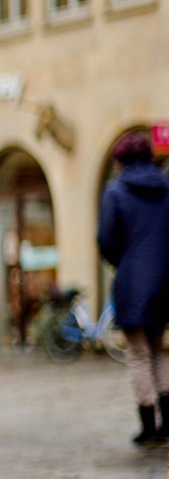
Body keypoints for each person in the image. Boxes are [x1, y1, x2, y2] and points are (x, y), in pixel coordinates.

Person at [97, 131, 169, 443]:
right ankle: (168, 421)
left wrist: (123, 263)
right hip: (165, 280)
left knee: (139, 353)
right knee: (159, 349)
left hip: (133, 283)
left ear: (120, 160)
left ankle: (148, 424)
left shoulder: (115, 191)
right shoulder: (166, 187)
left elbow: (107, 240)